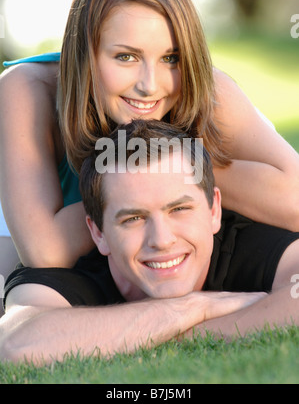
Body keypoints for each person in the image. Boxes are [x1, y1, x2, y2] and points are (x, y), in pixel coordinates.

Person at [1, 0, 299, 312]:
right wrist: (149, 181)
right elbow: (44, 250)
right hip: (56, 228)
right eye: (126, 57)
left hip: (174, 232)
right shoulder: (26, 89)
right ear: (84, 54)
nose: (149, 85)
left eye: (170, 58)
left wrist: (173, 168)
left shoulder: (207, 92)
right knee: (13, 290)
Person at [1, 119, 299, 365]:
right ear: (98, 233)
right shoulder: (73, 269)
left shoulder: (247, 243)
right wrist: (193, 308)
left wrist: (144, 334)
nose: (162, 240)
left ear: (213, 210)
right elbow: (15, 345)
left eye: (179, 209)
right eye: (133, 219)